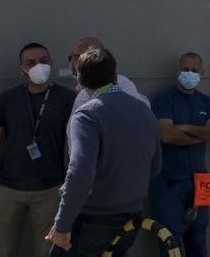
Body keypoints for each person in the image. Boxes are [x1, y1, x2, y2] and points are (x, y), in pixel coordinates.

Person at [47, 46, 161, 257]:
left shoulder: (87, 115)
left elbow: (80, 172)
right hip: (131, 214)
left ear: (79, 81)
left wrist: (61, 227)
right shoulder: (144, 110)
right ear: (115, 75)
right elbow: (154, 167)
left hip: (94, 217)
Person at [0, 43, 76, 257]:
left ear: (51, 63)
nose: (39, 66)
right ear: (21, 69)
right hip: (8, 190)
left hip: (51, 190)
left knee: (48, 252)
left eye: (44, 61)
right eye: (31, 63)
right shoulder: (7, 99)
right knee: (4, 250)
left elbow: (78, 143)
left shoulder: (67, 98)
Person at [151, 52, 210, 257]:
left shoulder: (207, 102)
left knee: (198, 239)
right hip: (168, 182)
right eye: (185, 69)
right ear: (177, 71)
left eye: (193, 70)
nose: (189, 73)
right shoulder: (163, 99)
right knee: (170, 240)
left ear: (202, 72)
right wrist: (202, 133)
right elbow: (167, 135)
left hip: (200, 181)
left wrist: (185, 128)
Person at [68, 37, 149, 111]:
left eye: (75, 57)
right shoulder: (123, 84)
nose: (71, 62)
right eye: (70, 58)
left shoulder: (122, 84)